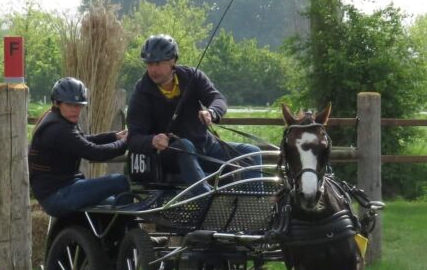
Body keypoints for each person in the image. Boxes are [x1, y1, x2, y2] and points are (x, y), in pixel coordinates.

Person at [126, 34, 261, 193]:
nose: (153, 70)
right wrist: (152, 140)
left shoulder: (192, 76)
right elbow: (133, 138)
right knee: (185, 144)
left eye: (158, 63)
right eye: (149, 64)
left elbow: (217, 98)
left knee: (251, 152)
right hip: (169, 156)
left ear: (173, 61)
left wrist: (212, 112)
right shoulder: (141, 92)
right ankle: (206, 199)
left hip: (204, 147)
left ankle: (253, 202)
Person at [28, 77, 130, 217]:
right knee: (120, 181)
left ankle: (116, 234)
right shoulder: (58, 129)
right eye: (70, 105)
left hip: (64, 189)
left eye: (79, 105)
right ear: (57, 103)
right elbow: (94, 153)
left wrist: (114, 137)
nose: (75, 110)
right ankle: (127, 233)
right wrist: (126, 143)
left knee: (113, 202)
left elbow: (82, 141)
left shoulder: (58, 119)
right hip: (57, 195)